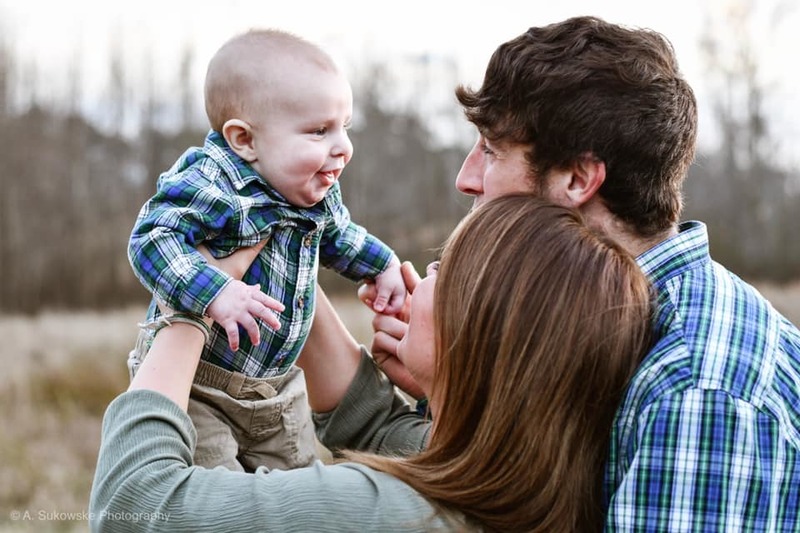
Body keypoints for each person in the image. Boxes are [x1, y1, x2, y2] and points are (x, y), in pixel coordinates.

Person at [353, 15, 800, 530]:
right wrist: (451, 391)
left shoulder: (698, 393)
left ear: (579, 178)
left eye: (493, 151)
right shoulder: (606, 320)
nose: (465, 178)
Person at [90, 195, 653, 532]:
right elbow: (381, 429)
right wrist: (286, 251)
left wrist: (188, 306)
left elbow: (132, 508)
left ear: (479, 333)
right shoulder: (528, 484)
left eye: (444, 269)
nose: (423, 277)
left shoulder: (384, 514)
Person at [125, 28, 405, 472]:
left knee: (296, 488)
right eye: (319, 131)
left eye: (343, 128)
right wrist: (215, 290)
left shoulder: (311, 190)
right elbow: (151, 239)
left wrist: (383, 265)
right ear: (244, 140)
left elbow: (340, 235)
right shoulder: (214, 184)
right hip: (202, 387)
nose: (343, 148)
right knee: (218, 499)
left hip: (277, 387)